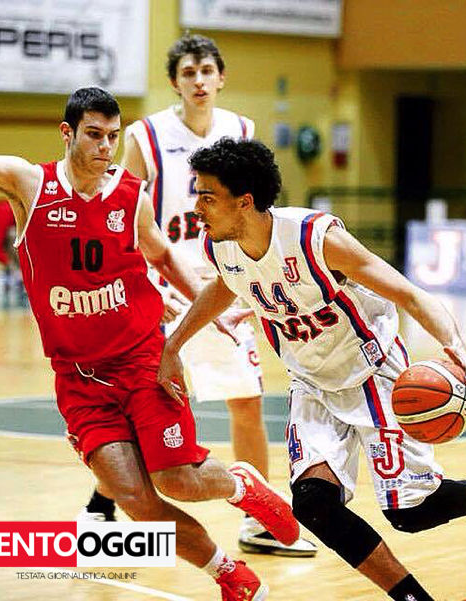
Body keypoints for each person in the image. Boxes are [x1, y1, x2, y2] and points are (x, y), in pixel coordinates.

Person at [0, 17, 298, 600]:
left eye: (113, 136)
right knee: (135, 499)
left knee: (179, 480)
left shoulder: (129, 194)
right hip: (78, 377)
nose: (105, 147)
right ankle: (229, 575)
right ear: (67, 134)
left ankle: (242, 485)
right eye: (94, 135)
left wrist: (210, 310)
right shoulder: (28, 185)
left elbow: (162, 255)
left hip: (142, 361)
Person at [158, 137, 466, 601]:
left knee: (411, 513)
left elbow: (409, 294)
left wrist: (454, 345)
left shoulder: (315, 239)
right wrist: (175, 344)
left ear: (244, 201)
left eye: (207, 197)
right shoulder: (221, 247)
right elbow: (226, 285)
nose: (197, 208)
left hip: (373, 373)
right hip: (312, 383)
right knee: (313, 505)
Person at [78, 33, 317, 557]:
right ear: (174, 82)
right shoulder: (146, 135)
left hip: (224, 284)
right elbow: (119, 210)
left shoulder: (242, 130)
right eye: (189, 72)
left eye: (207, 71)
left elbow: (259, 211)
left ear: (221, 78)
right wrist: (134, 283)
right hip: (160, 286)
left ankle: (257, 520)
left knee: (246, 399)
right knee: (146, 409)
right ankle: (100, 502)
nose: (199, 80)